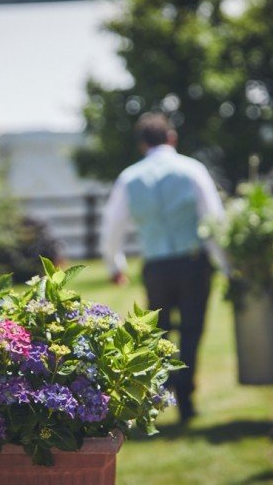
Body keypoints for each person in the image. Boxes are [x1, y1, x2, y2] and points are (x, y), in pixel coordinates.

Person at [100, 112, 227, 423]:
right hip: (193, 261)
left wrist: (115, 264)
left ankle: (165, 389)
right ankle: (186, 394)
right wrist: (226, 265)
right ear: (172, 138)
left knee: (159, 332)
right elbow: (214, 217)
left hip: (156, 264)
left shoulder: (130, 177)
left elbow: (111, 226)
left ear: (143, 144)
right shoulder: (192, 169)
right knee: (193, 330)